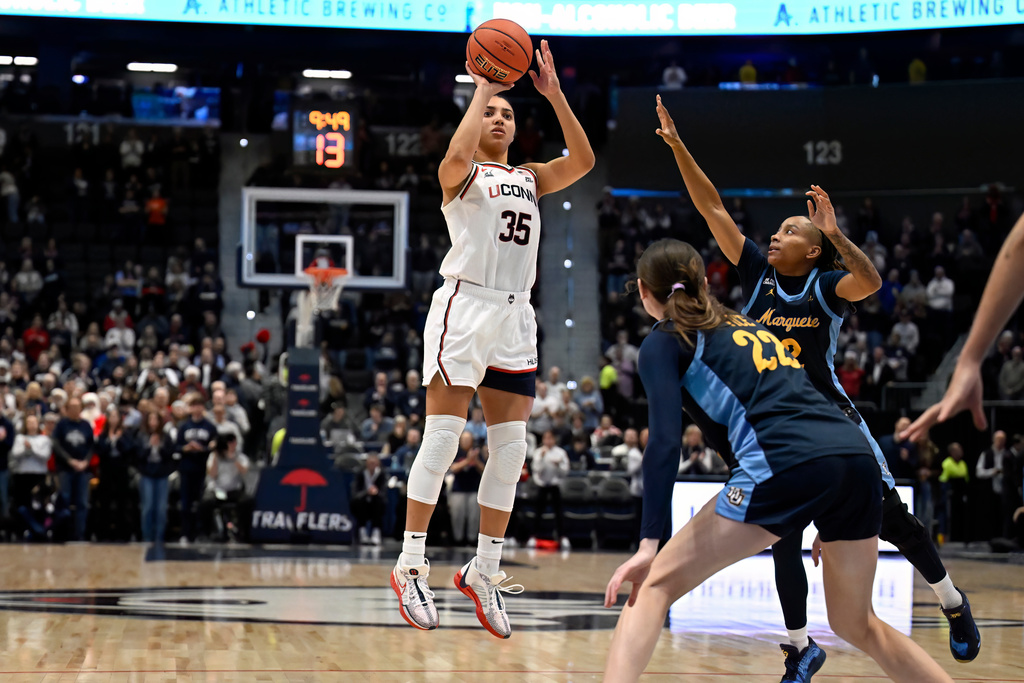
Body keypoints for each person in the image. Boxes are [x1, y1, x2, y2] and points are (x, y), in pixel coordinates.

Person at [653, 95, 979, 673]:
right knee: (781, 538)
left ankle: (952, 601)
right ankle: (801, 647)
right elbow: (712, 209)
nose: (774, 236)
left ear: (813, 249)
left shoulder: (827, 286)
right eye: (776, 229)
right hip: (776, 428)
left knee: (893, 520)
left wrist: (835, 231)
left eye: (789, 230)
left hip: (833, 423)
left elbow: (871, 282)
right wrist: (679, 147)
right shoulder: (757, 274)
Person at [602, 238, 954, 683]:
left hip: (784, 463)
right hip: (851, 456)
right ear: (704, 282)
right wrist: (830, 503)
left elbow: (665, 444)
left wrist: (649, 543)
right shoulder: (744, 324)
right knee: (857, 624)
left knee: (652, 586)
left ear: (643, 291)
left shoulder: (664, 341)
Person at [391, 39, 594, 638]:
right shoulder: (461, 172)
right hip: (464, 307)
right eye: (491, 113)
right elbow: (454, 154)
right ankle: (409, 564)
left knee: (512, 452)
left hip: (515, 317)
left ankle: (484, 570)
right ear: (474, 119)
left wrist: (553, 95)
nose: (500, 118)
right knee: (444, 438)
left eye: (508, 113)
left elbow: (581, 161)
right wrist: (483, 86)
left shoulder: (529, 176)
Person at [51, 396, 95, 541]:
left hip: (83, 470)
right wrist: (69, 460)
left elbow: (91, 446)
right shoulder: (61, 425)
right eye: (72, 407)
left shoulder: (86, 425)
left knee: (82, 503)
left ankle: (79, 535)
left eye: (77, 407)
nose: (75, 410)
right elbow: (56, 445)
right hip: (65, 469)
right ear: (67, 409)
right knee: (65, 501)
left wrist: (85, 462)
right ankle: (64, 534)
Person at [137, 411, 175, 545]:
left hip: (162, 475)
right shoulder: (141, 436)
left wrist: (159, 447)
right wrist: (149, 446)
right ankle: (147, 537)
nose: (153, 422)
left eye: (155, 420)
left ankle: (159, 538)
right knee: (147, 507)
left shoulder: (165, 436)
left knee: (161, 508)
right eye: (150, 419)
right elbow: (139, 456)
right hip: (147, 474)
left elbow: (170, 455)